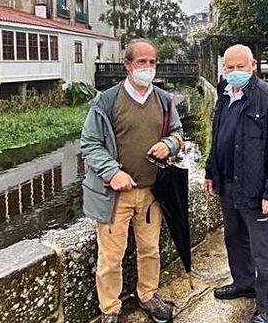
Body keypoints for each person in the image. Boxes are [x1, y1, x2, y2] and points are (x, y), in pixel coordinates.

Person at [81, 38, 185, 323]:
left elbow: (178, 133)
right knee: (111, 257)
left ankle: (148, 295)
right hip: (115, 195)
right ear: (128, 65)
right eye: (142, 62)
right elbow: (89, 144)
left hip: (152, 192)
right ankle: (110, 309)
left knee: (150, 250)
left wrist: (170, 144)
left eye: (152, 62)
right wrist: (112, 171)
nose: (148, 67)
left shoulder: (164, 101)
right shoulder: (106, 101)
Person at [204, 44, 268, 323]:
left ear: (253, 66)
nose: (235, 72)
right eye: (230, 67)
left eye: (241, 67)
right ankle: (243, 282)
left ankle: (267, 305)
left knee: (262, 248)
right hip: (228, 184)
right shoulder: (224, 93)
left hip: (256, 188)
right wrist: (210, 171)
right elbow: (217, 137)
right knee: (234, 237)